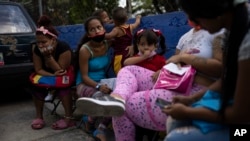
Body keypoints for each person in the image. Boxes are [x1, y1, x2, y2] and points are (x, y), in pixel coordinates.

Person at [76, 15, 226, 140]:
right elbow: (174, 63)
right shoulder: (185, 37)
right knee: (128, 71)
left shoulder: (219, 33)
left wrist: (186, 58)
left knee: (123, 109)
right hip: (173, 81)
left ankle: (114, 109)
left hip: (195, 89)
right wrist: (166, 68)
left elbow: (222, 70)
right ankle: (117, 98)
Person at [162, 0, 250, 141]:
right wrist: (191, 99)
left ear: (212, 12)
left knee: (176, 138)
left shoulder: (247, 41)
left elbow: (241, 114)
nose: (198, 26)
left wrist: (189, 112)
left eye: (197, 20)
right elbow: (228, 79)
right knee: (177, 121)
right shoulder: (232, 30)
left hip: (243, 130)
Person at [30, 15, 75, 130]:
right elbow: (38, 69)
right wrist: (51, 75)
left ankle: (68, 118)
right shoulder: (37, 49)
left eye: (43, 42)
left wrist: (49, 57)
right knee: (36, 86)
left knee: (64, 87)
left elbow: (60, 71)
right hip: (49, 74)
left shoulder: (63, 48)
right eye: (38, 42)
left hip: (63, 75)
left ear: (53, 40)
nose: (40, 45)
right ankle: (39, 116)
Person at [75, 16, 114, 141]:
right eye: (92, 29)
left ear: (103, 28)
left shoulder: (107, 44)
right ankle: (90, 122)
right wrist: (98, 86)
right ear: (88, 33)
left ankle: (97, 125)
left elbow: (124, 35)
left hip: (103, 82)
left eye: (99, 27)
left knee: (117, 98)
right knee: (100, 97)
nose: (97, 31)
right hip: (85, 84)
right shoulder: (85, 50)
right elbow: (84, 76)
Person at [105, 6, 142, 75]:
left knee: (120, 74)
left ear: (114, 20)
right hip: (129, 54)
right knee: (129, 73)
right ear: (126, 18)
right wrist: (138, 18)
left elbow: (109, 36)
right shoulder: (130, 27)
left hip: (119, 56)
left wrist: (101, 32)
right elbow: (137, 23)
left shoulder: (117, 30)